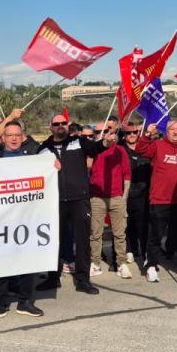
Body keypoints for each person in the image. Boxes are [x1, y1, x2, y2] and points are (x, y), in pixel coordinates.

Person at [38, 113, 107, 294]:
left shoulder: (79, 142)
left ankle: (83, 280)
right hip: (55, 201)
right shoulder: (43, 149)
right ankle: (53, 278)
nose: (60, 126)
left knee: (82, 241)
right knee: (54, 242)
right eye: (56, 123)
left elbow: (96, 148)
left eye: (63, 123)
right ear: (50, 127)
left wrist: (106, 142)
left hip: (79, 199)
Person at [0, 121, 46, 319]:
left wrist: (53, 166)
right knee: (1, 262)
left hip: (28, 219)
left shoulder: (35, 157)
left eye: (17, 135)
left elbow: (48, 169)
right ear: (3, 138)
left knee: (28, 261)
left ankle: (25, 301)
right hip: (2, 220)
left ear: (23, 137)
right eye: (9, 135)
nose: (13, 138)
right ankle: (0, 303)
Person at [131, 121, 177, 282]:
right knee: (156, 235)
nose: (175, 132)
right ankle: (151, 265)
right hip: (160, 199)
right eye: (171, 129)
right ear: (166, 132)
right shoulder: (158, 145)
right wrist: (147, 135)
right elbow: (140, 150)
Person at [88, 125, 131, 278]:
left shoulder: (120, 150)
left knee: (120, 234)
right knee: (95, 233)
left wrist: (123, 198)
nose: (102, 134)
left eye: (105, 131)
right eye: (98, 132)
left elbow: (126, 175)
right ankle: (95, 263)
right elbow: (86, 167)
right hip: (97, 197)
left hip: (116, 197)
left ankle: (121, 263)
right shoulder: (92, 150)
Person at [120, 122, 151, 268]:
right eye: (128, 133)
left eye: (134, 132)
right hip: (126, 193)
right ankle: (131, 249)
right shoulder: (120, 149)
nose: (132, 135)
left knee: (143, 226)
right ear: (124, 135)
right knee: (128, 225)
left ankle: (146, 254)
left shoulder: (145, 148)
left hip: (144, 193)